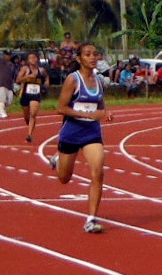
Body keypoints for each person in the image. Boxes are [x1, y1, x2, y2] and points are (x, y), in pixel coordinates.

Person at [48, 43, 113, 233]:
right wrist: (87, 115)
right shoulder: (72, 79)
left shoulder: (99, 80)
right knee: (64, 178)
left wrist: (106, 113)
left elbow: (100, 104)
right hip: (72, 132)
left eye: (95, 54)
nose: (92, 57)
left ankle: (91, 219)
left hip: (92, 133)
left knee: (98, 172)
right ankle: (59, 159)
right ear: (79, 58)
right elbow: (61, 108)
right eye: (88, 54)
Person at [16, 52, 47, 142]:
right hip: (25, 94)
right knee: (27, 116)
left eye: (34, 58)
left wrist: (46, 83)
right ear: (28, 60)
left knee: (33, 114)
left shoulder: (41, 70)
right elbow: (18, 80)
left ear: (37, 59)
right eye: (31, 58)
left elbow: (46, 77)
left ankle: (29, 135)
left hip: (36, 95)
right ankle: (29, 123)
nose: (33, 59)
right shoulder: (25, 69)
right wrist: (28, 76)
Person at [0, 49, 15, 118]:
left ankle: (2, 111)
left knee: (9, 100)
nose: (8, 56)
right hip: (0, 83)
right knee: (1, 99)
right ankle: (2, 112)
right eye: (7, 55)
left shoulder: (11, 64)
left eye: (9, 55)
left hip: (9, 84)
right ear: (4, 55)